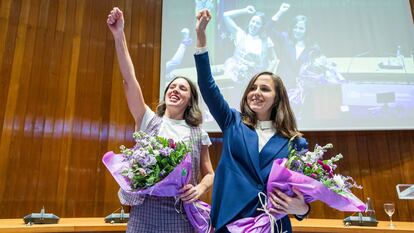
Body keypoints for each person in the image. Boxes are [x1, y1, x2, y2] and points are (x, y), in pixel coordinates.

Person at [195, 9, 310, 233]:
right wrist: (201, 37)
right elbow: (207, 86)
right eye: (253, 88)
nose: (256, 92)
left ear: (278, 98)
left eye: (265, 89)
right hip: (229, 223)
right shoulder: (232, 122)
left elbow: (302, 195)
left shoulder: (295, 142)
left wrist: (302, 209)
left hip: (272, 225)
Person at [107, 7, 214, 233]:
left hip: (181, 218)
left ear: (190, 99)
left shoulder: (198, 133)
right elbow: (129, 80)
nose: (175, 90)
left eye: (182, 88)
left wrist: (200, 189)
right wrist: (119, 35)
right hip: (143, 217)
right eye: (172, 86)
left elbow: (210, 174)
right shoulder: (147, 120)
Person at [222, 5, 277, 84]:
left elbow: (274, 60)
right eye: (253, 21)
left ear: (262, 26)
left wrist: (266, 77)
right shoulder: (240, 34)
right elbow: (226, 16)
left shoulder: (266, 41)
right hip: (236, 80)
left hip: (255, 83)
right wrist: (244, 10)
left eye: (258, 23)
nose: (254, 25)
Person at [269, 3, 315, 90]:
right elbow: (268, 29)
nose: (297, 30)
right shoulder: (285, 38)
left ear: (306, 30)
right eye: (295, 27)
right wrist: (280, 12)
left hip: (302, 89)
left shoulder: (312, 47)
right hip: (283, 86)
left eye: (301, 28)